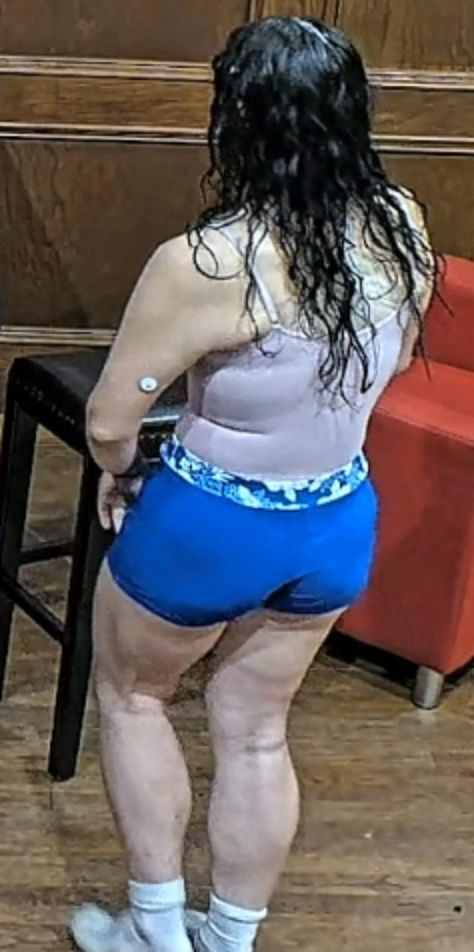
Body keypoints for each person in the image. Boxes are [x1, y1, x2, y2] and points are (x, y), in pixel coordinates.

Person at [70, 15, 437, 952]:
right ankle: (230, 938)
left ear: (236, 120)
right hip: (334, 521)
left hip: (212, 524)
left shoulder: (208, 261)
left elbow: (109, 421)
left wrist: (123, 475)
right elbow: (392, 364)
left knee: (135, 699)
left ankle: (155, 929)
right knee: (256, 731)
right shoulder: (399, 222)